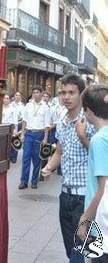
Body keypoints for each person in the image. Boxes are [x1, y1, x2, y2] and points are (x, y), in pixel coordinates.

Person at [42, 73, 95, 263]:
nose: (66, 97)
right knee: (70, 248)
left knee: (81, 251)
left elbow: (101, 157)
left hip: (85, 196)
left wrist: (83, 138)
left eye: (71, 92)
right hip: (65, 194)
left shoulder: (90, 120)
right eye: (63, 92)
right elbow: (60, 151)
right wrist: (48, 167)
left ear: (81, 94)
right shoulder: (62, 118)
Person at [77, 85, 108, 263]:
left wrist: (84, 218)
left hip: (101, 223)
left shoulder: (99, 139)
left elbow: (103, 188)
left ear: (88, 111)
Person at [18, 85, 50, 190]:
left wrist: (45, 138)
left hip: (39, 134)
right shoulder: (28, 105)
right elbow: (24, 121)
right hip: (29, 134)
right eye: (34, 92)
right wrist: (22, 134)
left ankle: (34, 181)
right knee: (26, 158)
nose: (36, 94)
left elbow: (46, 124)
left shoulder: (46, 107)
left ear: (41, 93)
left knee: (37, 159)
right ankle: (24, 181)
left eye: (37, 92)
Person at [10, 91, 25, 163]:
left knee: (16, 140)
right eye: (16, 95)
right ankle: (9, 155)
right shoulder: (10, 105)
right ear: (14, 97)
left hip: (19, 124)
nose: (17, 96)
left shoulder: (22, 106)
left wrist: (16, 119)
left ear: (21, 97)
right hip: (11, 124)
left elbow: (23, 117)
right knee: (10, 140)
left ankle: (14, 157)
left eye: (19, 95)